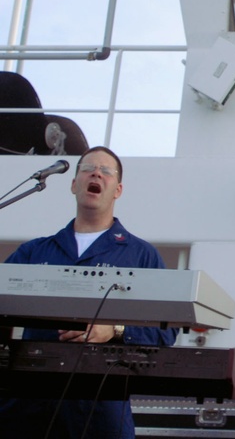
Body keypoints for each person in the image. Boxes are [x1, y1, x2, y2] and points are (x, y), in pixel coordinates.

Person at [0, 146, 179, 439]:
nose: (96, 174)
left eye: (106, 171)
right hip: (28, 404)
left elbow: (167, 331)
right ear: (74, 184)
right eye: (88, 169)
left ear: (118, 190)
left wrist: (114, 330)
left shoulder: (141, 255)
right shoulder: (33, 251)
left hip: (100, 407)